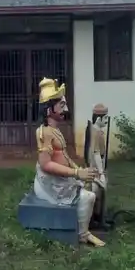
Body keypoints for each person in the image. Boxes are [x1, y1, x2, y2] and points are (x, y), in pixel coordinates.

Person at [33, 78, 105, 247]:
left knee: (94, 184)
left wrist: (78, 169)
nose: (66, 109)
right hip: (50, 182)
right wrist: (76, 173)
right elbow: (45, 164)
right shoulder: (44, 132)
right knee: (89, 196)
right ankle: (83, 234)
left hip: (62, 176)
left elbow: (64, 156)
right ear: (49, 109)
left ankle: (88, 222)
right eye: (62, 105)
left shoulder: (55, 130)